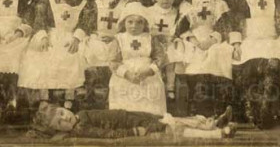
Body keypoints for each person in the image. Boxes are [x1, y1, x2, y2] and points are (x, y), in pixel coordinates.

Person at [18, 0, 96, 110]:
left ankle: (69, 96)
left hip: (72, 35)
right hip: (51, 34)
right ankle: (44, 95)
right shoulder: (45, 0)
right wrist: (42, 36)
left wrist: (77, 38)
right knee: (41, 55)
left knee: (73, 56)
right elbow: (39, 20)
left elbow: (86, 22)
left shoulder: (83, 1)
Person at [171, 0, 235, 117]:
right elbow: (181, 28)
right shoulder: (187, 4)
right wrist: (193, 40)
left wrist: (212, 40)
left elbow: (224, 26)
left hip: (213, 39)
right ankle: (197, 108)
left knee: (219, 53)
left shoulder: (219, 4)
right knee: (190, 55)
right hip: (192, 39)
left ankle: (216, 109)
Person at [225, 0, 280, 129]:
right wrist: (236, 43)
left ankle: (267, 111)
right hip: (249, 40)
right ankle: (250, 111)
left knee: (272, 66)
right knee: (248, 68)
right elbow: (234, 21)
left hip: (272, 39)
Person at [28, 102, 234, 139]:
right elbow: (107, 134)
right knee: (172, 128)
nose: (66, 118)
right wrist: (133, 132)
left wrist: (140, 118)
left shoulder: (82, 114)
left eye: (62, 113)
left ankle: (212, 123)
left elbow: (115, 115)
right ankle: (217, 132)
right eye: (60, 122)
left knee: (168, 118)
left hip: (130, 117)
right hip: (133, 126)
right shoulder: (81, 129)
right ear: (58, 129)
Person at [109, 2, 167, 116]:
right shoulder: (119, 39)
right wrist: (126, 74)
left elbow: (160, 56)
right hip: (126, 75)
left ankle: (151, 117)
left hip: (147, 74)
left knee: (151, 92)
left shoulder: (150, 38)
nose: (134, 26)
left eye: (139, 22)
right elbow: (113, 61)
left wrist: (149, 70)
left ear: (145, 23)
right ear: (123, 22)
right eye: (130, 22)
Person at [84, 0, 126, 109]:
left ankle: (113, 97)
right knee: (92, 52)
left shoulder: (124, 4)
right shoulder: (93, 4)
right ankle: (93, 95)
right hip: (98, 38)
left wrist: (116, 36)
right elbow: (88, 25)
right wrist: (97, 35)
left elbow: (128, 25)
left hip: (117, 38)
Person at [0, 0, 34, 112]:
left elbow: (28, 20)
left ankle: (12, 101)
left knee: (15, 56)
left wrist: (17, 34)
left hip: (16, 38)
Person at [148, 0, 181, 100]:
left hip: (168, 42)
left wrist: (170, 38)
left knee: (171, 56)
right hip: (153, 42)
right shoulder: (149, 11)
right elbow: (147, 28)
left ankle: (170, 87)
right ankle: (156, 86)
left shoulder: (176, 13)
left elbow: (176, 30)